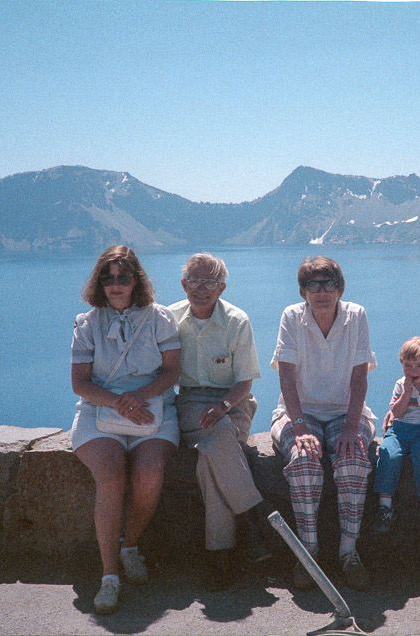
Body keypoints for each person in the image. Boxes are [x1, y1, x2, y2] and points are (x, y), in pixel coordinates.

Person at [70, 245, 180, 615]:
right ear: (99, 282)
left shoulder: (160, 318)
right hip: (100, 409)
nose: (116, 285)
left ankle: (129, 545)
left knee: (149, 474)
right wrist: (119, 402)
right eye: (108, 277)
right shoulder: (87, 324)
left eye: (124, 277)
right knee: (112, 476)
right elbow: (81, 384)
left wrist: (137, 398)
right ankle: (109, 576)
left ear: (137, 280)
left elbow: (171, 372)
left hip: (151, 406)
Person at [270, 256, 377, 591]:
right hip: (299, 411)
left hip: (347, 411)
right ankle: (309, 553)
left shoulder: (355, 315)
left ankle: (349, 551)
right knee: (303, 462)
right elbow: (286, 376)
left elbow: (360, 376)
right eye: (313, 285)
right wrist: (300, 428)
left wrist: (351, 427)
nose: (321, 292)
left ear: (339, 288)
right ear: (303, 291)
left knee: (354, 461)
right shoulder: (292, 316)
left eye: (328, 284)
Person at [168, 253, 272, 591]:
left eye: (210, 282)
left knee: (212, 452)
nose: (201, 288)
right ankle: (251, 520)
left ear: (222, 287)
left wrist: (223, 405)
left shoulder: (237, 321)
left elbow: (245, 382)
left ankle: (220, 556)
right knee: (221, 440)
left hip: (233, 400)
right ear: (184, 284)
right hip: (190, 400)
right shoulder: (169, 319)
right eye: (194, 281)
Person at [370, 337, 420, 533]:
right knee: (390, 455)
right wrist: (407, 392)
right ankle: (385, 504)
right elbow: (397, 413)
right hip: (400, 429)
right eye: (408, 365)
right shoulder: (400, 385)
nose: (413, 371)